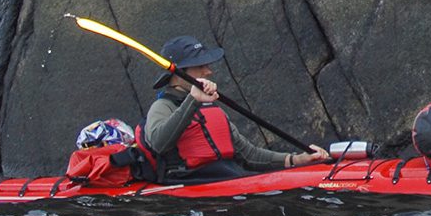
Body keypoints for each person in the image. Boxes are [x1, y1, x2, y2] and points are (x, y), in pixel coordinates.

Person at [141, 35, 329, 181]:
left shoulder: (211, 107)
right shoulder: (162, 107)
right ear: (179, 73)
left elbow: (249, 155)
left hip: (227, 176)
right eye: (200, 65)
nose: (208, 71)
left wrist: (296, 160)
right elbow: (159, 143)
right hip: (191, 186)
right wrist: (192, 100)